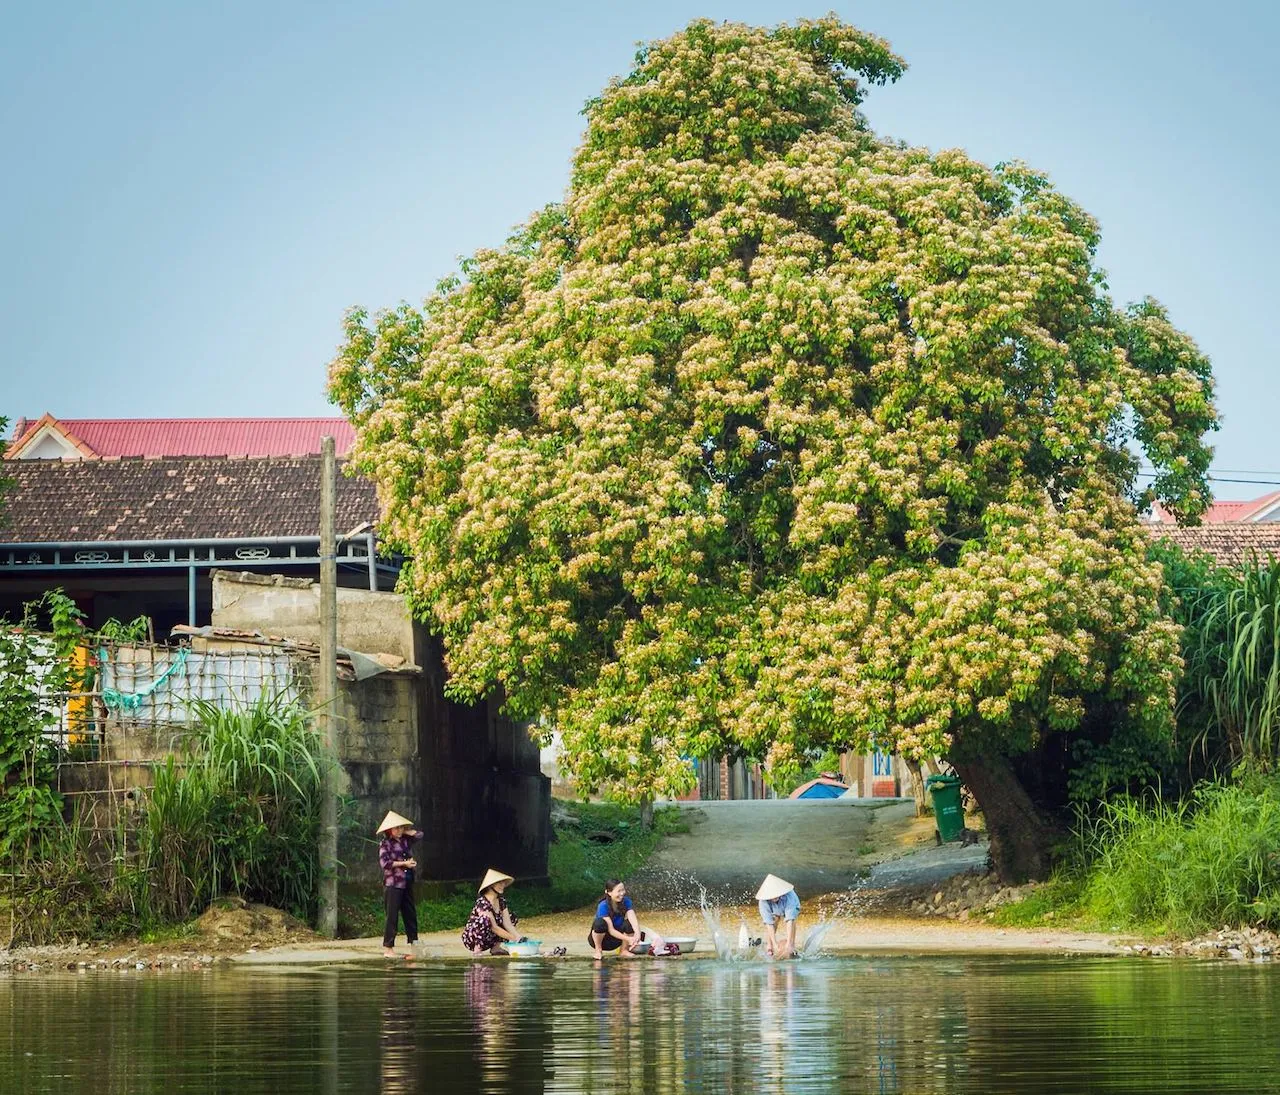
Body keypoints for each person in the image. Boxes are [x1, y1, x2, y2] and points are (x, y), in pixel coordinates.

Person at [378, 810, 422, 958]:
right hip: (393, 884)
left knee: (410, 913)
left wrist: (408, 832)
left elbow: (420, 835)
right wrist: (404, 864)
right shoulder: (385, 843)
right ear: (389, 830)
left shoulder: (405, 840)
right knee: (392, 915)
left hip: (407, 881)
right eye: (395, 828)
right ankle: (389, 948)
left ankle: (413, 944)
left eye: (400, 827)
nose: (398, 830)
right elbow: (385, 863)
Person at [462, 869, 522, 955]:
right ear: (491, 885)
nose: (502, 885)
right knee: (485, 919)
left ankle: (496, 948)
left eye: (503, 883)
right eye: (499, 883)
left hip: (490, 938)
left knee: (512, 917)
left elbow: (507, 923)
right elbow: (494, 928)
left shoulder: (501, 901)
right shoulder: (482, 902)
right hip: (473, 938)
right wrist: (514, 938)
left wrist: (519, 937)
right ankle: (477, 949)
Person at [589, 879, 647, 959]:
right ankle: (598, 950)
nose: (622, 893)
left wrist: (637, 934)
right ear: (609, 892)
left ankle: (624, 950)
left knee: (629, 924)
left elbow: (632, 918)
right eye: (619, 891)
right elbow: (611, 930)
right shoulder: (603, 906)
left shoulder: (626, 901)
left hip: (616, 940)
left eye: (623, 890)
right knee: (599, 923)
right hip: (603, 940)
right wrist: (629, 939)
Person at [756, 874, 801, 959]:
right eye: (771, 896)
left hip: (791, 906)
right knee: (775, 919)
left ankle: (792, 944)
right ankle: (769, 945)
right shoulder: (763, 902)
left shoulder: (790, 896)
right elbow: (768, 923)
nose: (774, 897)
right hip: (775, 910)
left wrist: (788, 944)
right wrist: (774, 944)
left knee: (792, 920)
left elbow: (789, 921)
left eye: (776, 894)